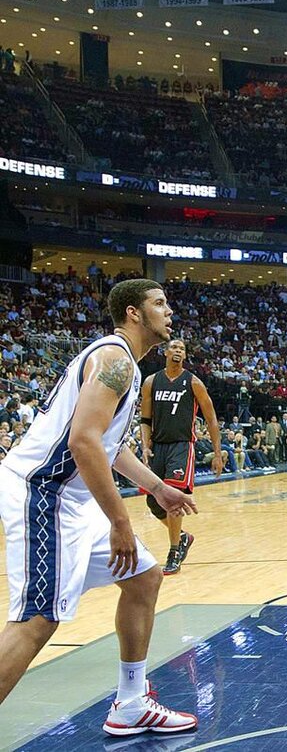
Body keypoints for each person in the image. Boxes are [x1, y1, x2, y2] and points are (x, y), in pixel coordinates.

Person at [0, 279, 199, 735]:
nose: (169, 312)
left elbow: (107, 446)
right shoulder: (114, 359)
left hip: (69, 496)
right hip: (43, 491)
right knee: (36, 620)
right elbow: (83, 441)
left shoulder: (124, 363)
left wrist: (157, 489)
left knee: (144, 576)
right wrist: (120, 521)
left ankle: (131, 703)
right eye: (159, 304)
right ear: (133, 313)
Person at [139, 338, 222, 576]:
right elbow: (145, 420)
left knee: (174, 498)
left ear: (184, 356)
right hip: (159, 446)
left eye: (182, 349)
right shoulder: (151, 382)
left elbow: (211, 419)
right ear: (165, 352)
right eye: (174, 347)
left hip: (182, 446)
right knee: (153, 501)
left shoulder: (194, 382)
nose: (177, 351)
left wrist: (217, 453)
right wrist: (145, 446)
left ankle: (174, 550)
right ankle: (183, 537)